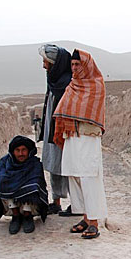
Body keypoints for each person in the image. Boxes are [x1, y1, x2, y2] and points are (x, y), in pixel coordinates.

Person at [52, 48, 108, 240]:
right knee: (74, 175)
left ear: (86, 65)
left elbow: (91, 112)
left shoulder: (96, 85)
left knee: (89, 177)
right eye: (72, 65)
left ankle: (94, 222)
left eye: (78, 64)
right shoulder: (72, 85)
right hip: (72, 137)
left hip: (87, 137)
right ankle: (85, 217)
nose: (75, 68)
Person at [38, 44, 80, 217]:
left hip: (65, 132)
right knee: (54, 164)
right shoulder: (53, 79)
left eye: (46, 62)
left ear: (55, 63)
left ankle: (76, 203)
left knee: (69, 167)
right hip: (51, 130)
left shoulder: (68, 83)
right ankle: (56, 202)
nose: (43, 65)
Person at [0, 135, 48, 234]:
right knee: (5, 185)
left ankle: (27, 215)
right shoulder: (5, 162)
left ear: (29, 151)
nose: (21, 153)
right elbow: (2, 180)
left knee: (33, 187)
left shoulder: (34, 163)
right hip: (12, 203)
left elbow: (38, 182)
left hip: (30, 204)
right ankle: (15, 216)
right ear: (13, 152)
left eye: (24, 150)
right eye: (17, 150)